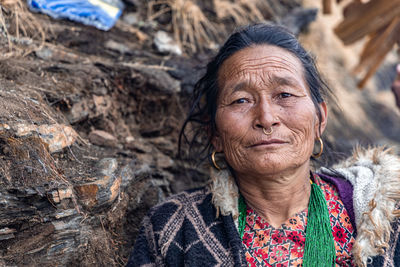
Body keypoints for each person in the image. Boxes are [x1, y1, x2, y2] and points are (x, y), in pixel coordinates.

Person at [128, 24, 400, 267]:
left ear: (320, 119)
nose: (266, 118)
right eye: (241, 100)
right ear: (215, 133)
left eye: (285, 94)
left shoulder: (384, 215)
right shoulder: (175, 228)